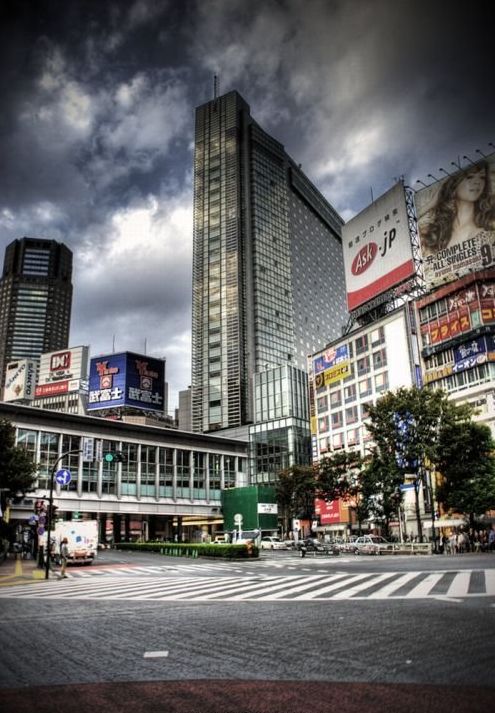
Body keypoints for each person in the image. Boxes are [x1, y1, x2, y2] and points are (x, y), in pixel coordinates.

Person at [419, 161, 495, 255]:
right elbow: (404, 234)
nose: (477, 182)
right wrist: (430, 204)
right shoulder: (433, 232)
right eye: (470, 176)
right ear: (454, 184)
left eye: (482, 177)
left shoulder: (489, 231)